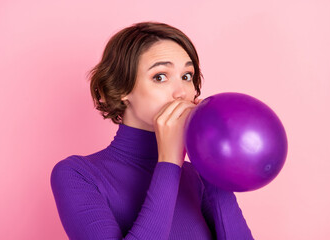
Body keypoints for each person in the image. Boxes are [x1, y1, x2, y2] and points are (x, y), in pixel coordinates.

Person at [50, 21, 254, 240]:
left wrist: (213, 166)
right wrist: (168, 163)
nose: (181, 93)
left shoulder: (196, 176)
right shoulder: (78, 174)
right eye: (160, 76)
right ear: (122, 89)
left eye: (187, 76)